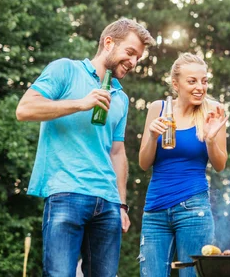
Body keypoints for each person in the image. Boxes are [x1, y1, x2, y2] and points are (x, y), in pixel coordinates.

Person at [16, 18, 156, 276]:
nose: (134, 62)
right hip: (66, 194)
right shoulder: (65, 70)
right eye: (130, 52)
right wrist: (80, 103)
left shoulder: (120, 98)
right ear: (108, 43)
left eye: (138, 57)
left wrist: (122, 205)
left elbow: (117, 152)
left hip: (108, 203)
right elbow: (24, 109)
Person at [138, 53, 229, 277]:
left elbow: (220, 165)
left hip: (193, 208)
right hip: (155, 210)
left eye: (204, 81)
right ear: (176, 84)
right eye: (192, 81)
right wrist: (151, 136)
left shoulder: (213, 111)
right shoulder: (158, 109)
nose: (200, 87)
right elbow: (143, 163)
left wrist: (209, 139)